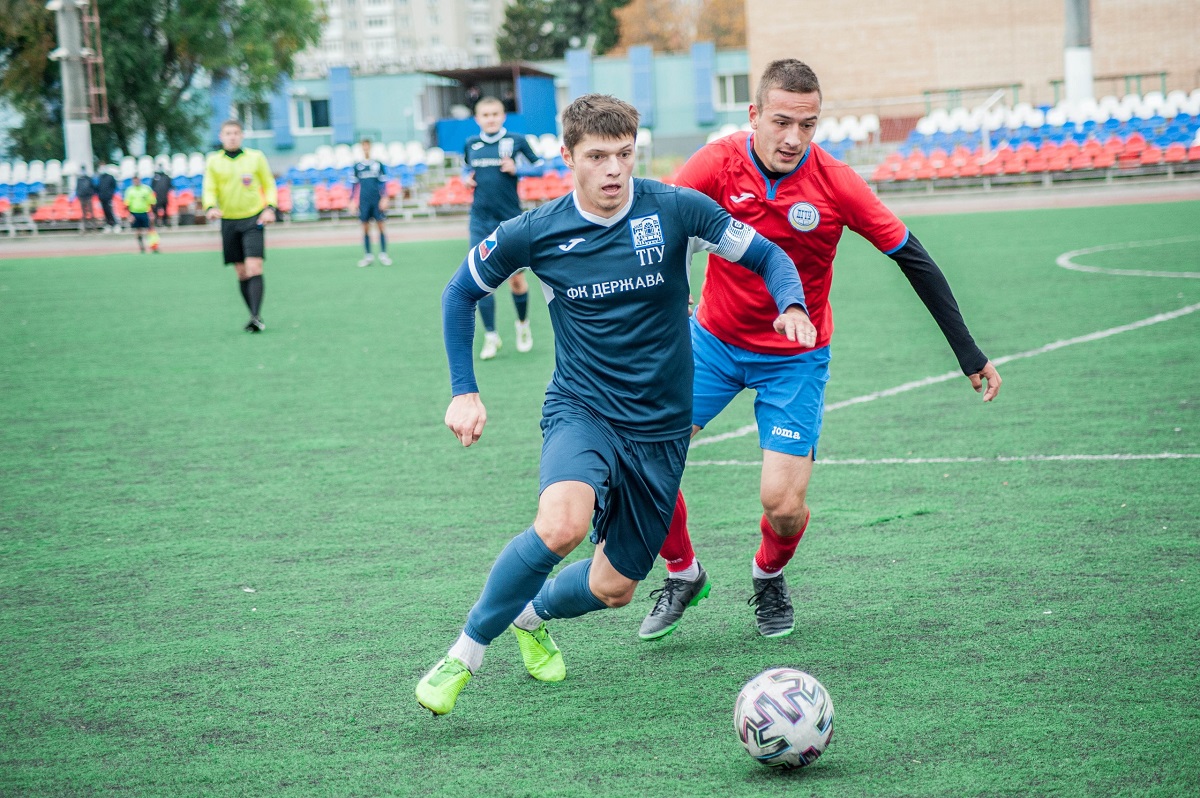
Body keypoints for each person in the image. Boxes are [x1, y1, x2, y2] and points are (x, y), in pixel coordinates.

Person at [415, 94, 817, 716]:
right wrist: (464, 390)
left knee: (614, 588)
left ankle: (530, 613)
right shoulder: (535, 231)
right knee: (562, 525)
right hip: (584, 409)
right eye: (597, 156)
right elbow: (458, 293)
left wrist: (790, 302)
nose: (613, 170)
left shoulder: (675, 209)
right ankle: (464, 654)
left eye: (624, 155)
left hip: (661, 430)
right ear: (567, 156)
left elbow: (767, 254)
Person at [636, 59, 1003, 642]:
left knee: (782, 504)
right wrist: (668, 298)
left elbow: (912, 256)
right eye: (781, 122)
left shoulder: (835, 182)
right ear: (754, 115)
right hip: (712, 343)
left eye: (807, 125)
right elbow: (657, 224)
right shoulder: (716, 162)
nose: (793, 138)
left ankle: (768, 574)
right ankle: (683, 573)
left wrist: (967, 351)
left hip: (795, 357)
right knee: (644, 461)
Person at [463, 96, 542, 359]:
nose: (491, 119)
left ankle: (523, 325)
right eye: (485, 115)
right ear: (477, 119)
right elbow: (466, 169)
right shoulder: (471, 143)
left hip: (509, 220)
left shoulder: (516, 140)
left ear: (503, 116)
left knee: (516, 279)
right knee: (481, 280)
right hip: (480, 220)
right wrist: (466, 179)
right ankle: (491, 336)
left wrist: (518, 169)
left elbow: (541, 168)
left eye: (495, 114)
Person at [202, 119, 278, 333]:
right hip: (229, 221)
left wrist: (270, 207)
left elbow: (269, 184)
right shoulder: (214, 161)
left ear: (242, 135)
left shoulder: (256, 157)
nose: (232, 136)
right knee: (242, 272)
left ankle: (255, 316)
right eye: (228, 133)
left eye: (236, 132)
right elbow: (209, 188)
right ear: (221, 136)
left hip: (254, 219)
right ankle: (253, 315)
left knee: (255, 266)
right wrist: (210, 207)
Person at [350, 138, 392, 267]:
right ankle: (368, 256)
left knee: (381, 226)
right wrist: (352, 201)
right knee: (365, 228)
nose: (366, 148)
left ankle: (383, 254)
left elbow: (383, 183)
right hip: (364, 201)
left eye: (367, 146)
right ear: (361, 148)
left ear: (370, 147)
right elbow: (354, 185)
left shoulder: (378, 165)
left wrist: (385, 198)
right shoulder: (357, 166)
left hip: (376, 200)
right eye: (364, 146)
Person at [123, 175, 156, 254]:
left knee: (150, 229)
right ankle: (141, 247)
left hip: (145, 212)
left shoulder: (146, 189)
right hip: (134, 213)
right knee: (138, 231)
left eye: (137, 180)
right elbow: (126, 204)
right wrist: (129, 215)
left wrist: (151, 213)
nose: (136, 182)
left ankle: (153, 246)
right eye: (134, 181)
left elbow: (152, 201)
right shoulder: (130, 190)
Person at [96, 163, 119, 233]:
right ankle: (108, 224)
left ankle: (115, 224)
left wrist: (110, 194)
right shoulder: (100, 177)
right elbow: (98, 187)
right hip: (102, 198)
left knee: (111, 211)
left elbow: (114, 186)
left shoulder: (110, 177)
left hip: (109, 197)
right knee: (105, 212)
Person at [75, 168, 97, 234]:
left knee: (91, 213)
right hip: (82, 197)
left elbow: (93, 187)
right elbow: (78, 188)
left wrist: (91, 194)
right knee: (84, 214)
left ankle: (93, 228)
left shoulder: (89, 179)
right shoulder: (79, 180)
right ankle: (84, 228)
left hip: (88, 197)